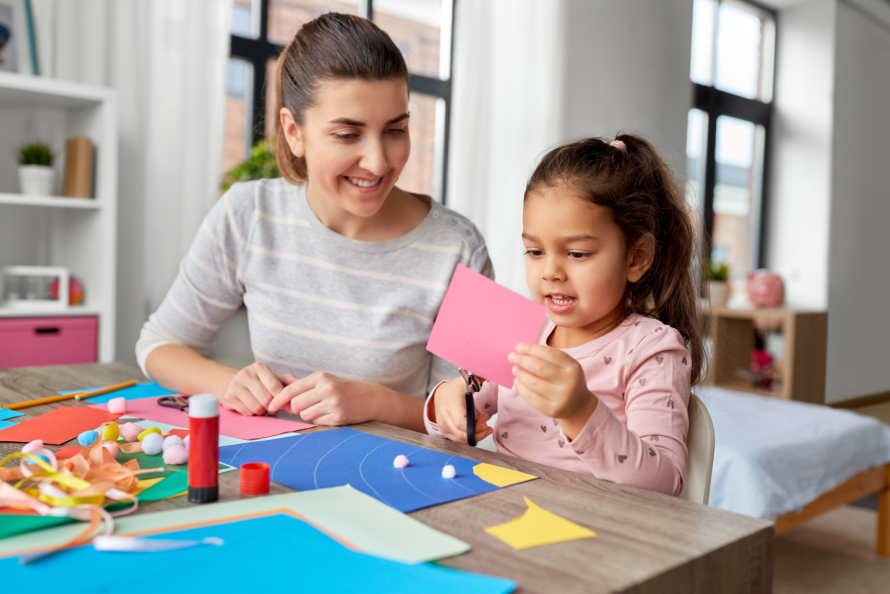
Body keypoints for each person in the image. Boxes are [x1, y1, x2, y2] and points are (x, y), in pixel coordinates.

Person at [136, 13, 492, 432]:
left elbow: (472, 420)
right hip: (269, 467)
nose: (378, 162)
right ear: (293, 131)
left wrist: (376, 401)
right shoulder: (247, 213)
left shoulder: (463, 247)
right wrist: (231, 383)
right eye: (347, 134)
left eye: (395, 130)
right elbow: (158, 344)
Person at [425, 135, 704, 496]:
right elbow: (459, 408)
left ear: (636, 257)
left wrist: (580, 411)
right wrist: (444, 405)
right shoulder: (519, 327)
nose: (550, 272)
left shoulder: (652, 349)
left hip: (598, 536)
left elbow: (665, 485)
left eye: (576, 254)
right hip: (505, 512)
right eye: (535, 251)